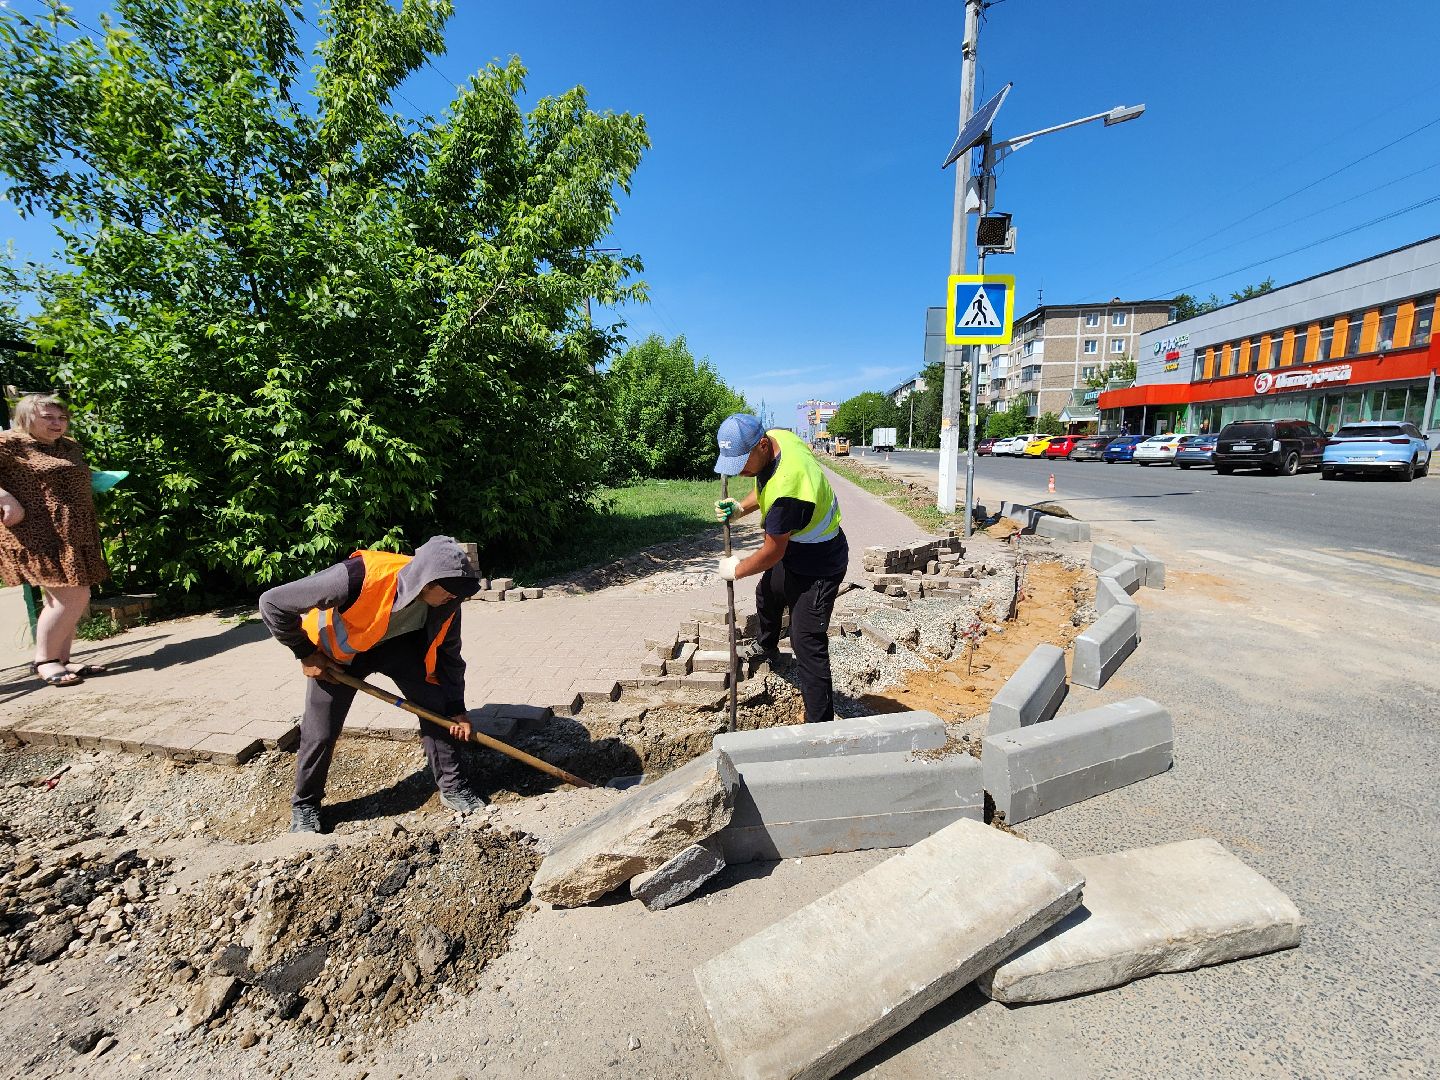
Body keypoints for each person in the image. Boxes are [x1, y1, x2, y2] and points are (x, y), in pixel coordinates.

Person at [258, 535, 486, 833]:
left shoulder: (448, 602)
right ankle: (305, 805)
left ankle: (453, 786)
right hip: (342, 656)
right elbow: (272, 603)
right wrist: (306, 654)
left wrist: (456, 707)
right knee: (320, 729)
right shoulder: (356, 576)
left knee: (436, 707)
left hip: (400, 648)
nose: (455, 599)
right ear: (427, 582)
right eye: (450, 593)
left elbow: (449, 655)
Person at [712, 414, 848, 724]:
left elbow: (773, 551)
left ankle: (820, 725)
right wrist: (740, 508)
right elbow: (764, 485)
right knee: (768, 593)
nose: (742, 473)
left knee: (806, 642)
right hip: (799, 547)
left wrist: (738, 569)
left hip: (820, 564)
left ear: (761, 445)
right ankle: (767, 645)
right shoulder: (778, 438)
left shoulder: (787, 494)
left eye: (742, 463)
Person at [0, 394, 110, 687]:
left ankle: (62, 659)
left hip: (75, 532)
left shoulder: (69, 446)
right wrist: (6, 498)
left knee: (63, 598)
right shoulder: (9, 444)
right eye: (48, 417)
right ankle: (45, 661)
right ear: (26, 417)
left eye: (61, 418)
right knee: (73, 597)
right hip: (38, 534)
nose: (57, 423)